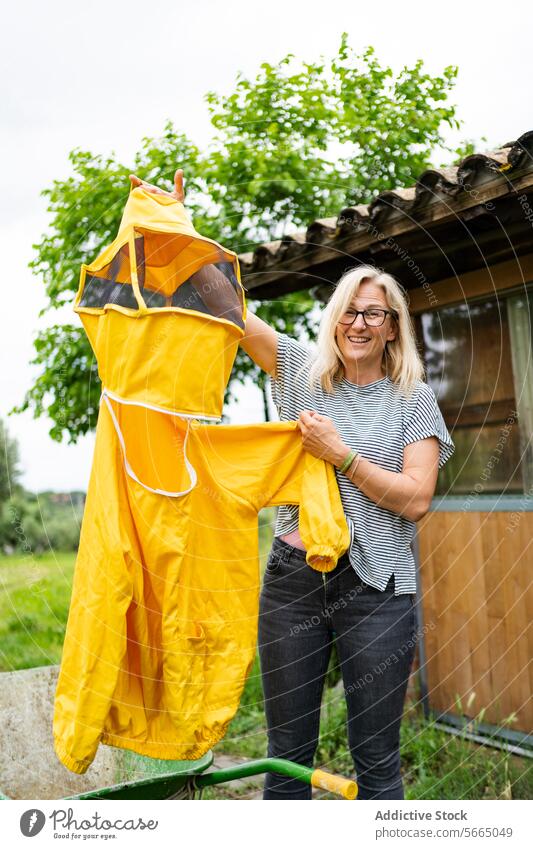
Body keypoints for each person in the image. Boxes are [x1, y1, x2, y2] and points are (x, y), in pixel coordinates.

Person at [129, 169, 455, 800]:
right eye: (348, 312)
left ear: (392, 328)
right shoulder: (299, 370)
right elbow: (231, 311)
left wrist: (341, 457)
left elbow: (416, 499)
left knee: (377, 762)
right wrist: (175, 230)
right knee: (287, 761)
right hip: (294, 583)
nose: (358, 324)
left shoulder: (412, 400)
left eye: (373, 315)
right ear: (334, 320)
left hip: (378, 590)